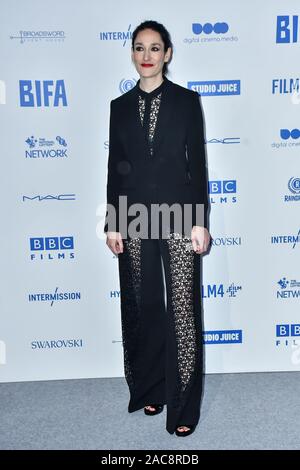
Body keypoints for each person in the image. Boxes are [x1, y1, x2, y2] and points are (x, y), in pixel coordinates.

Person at [104, 20, 210, 437]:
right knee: (142, 305)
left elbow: (196, 166)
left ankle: (183, 408)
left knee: (182, 311)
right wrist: (114, 222)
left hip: (180, 214)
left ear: (167, 54)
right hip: (132, 216)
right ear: (132, 54)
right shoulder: (118, 106)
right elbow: (114, 168)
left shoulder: (187, 101)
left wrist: (200, 220)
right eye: (139, 47)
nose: (146, 55)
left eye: (154, 48)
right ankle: (151, 386)